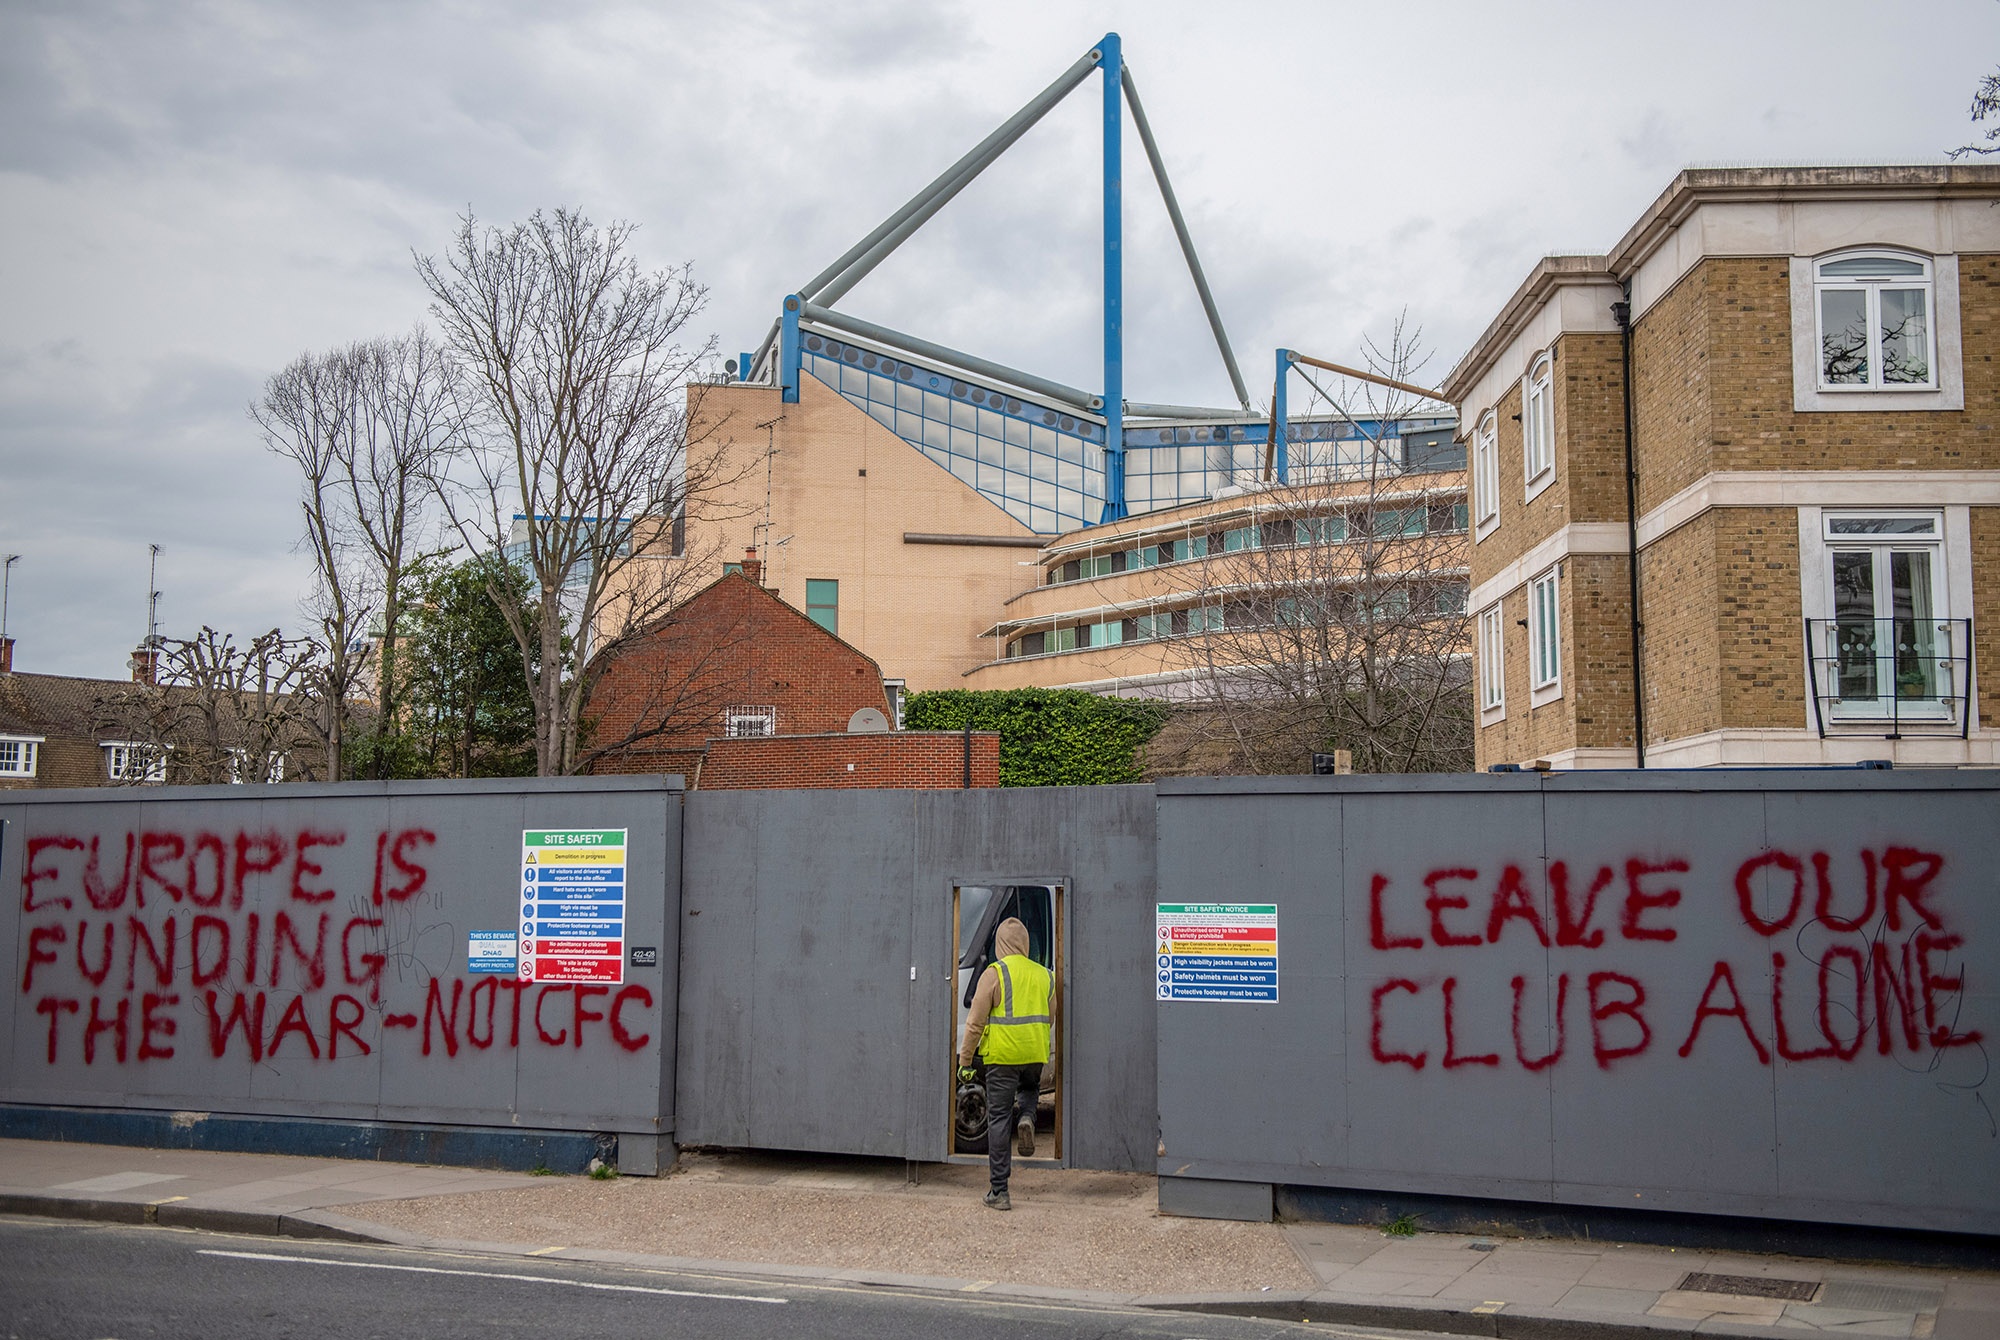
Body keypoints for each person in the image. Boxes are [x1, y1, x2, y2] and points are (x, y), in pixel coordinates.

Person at [956, 916, 1053, 1211]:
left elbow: (974, 1023)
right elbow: (1051, 1018)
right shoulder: (1044, 975)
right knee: (1029, 1089)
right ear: (1025, 944)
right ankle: (1028, 1116)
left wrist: (965, 1060)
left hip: (1002, 1057)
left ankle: (999, 1191)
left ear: (1000, 945)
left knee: (998, 1119)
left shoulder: (993, 974)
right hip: (1035, 1054)